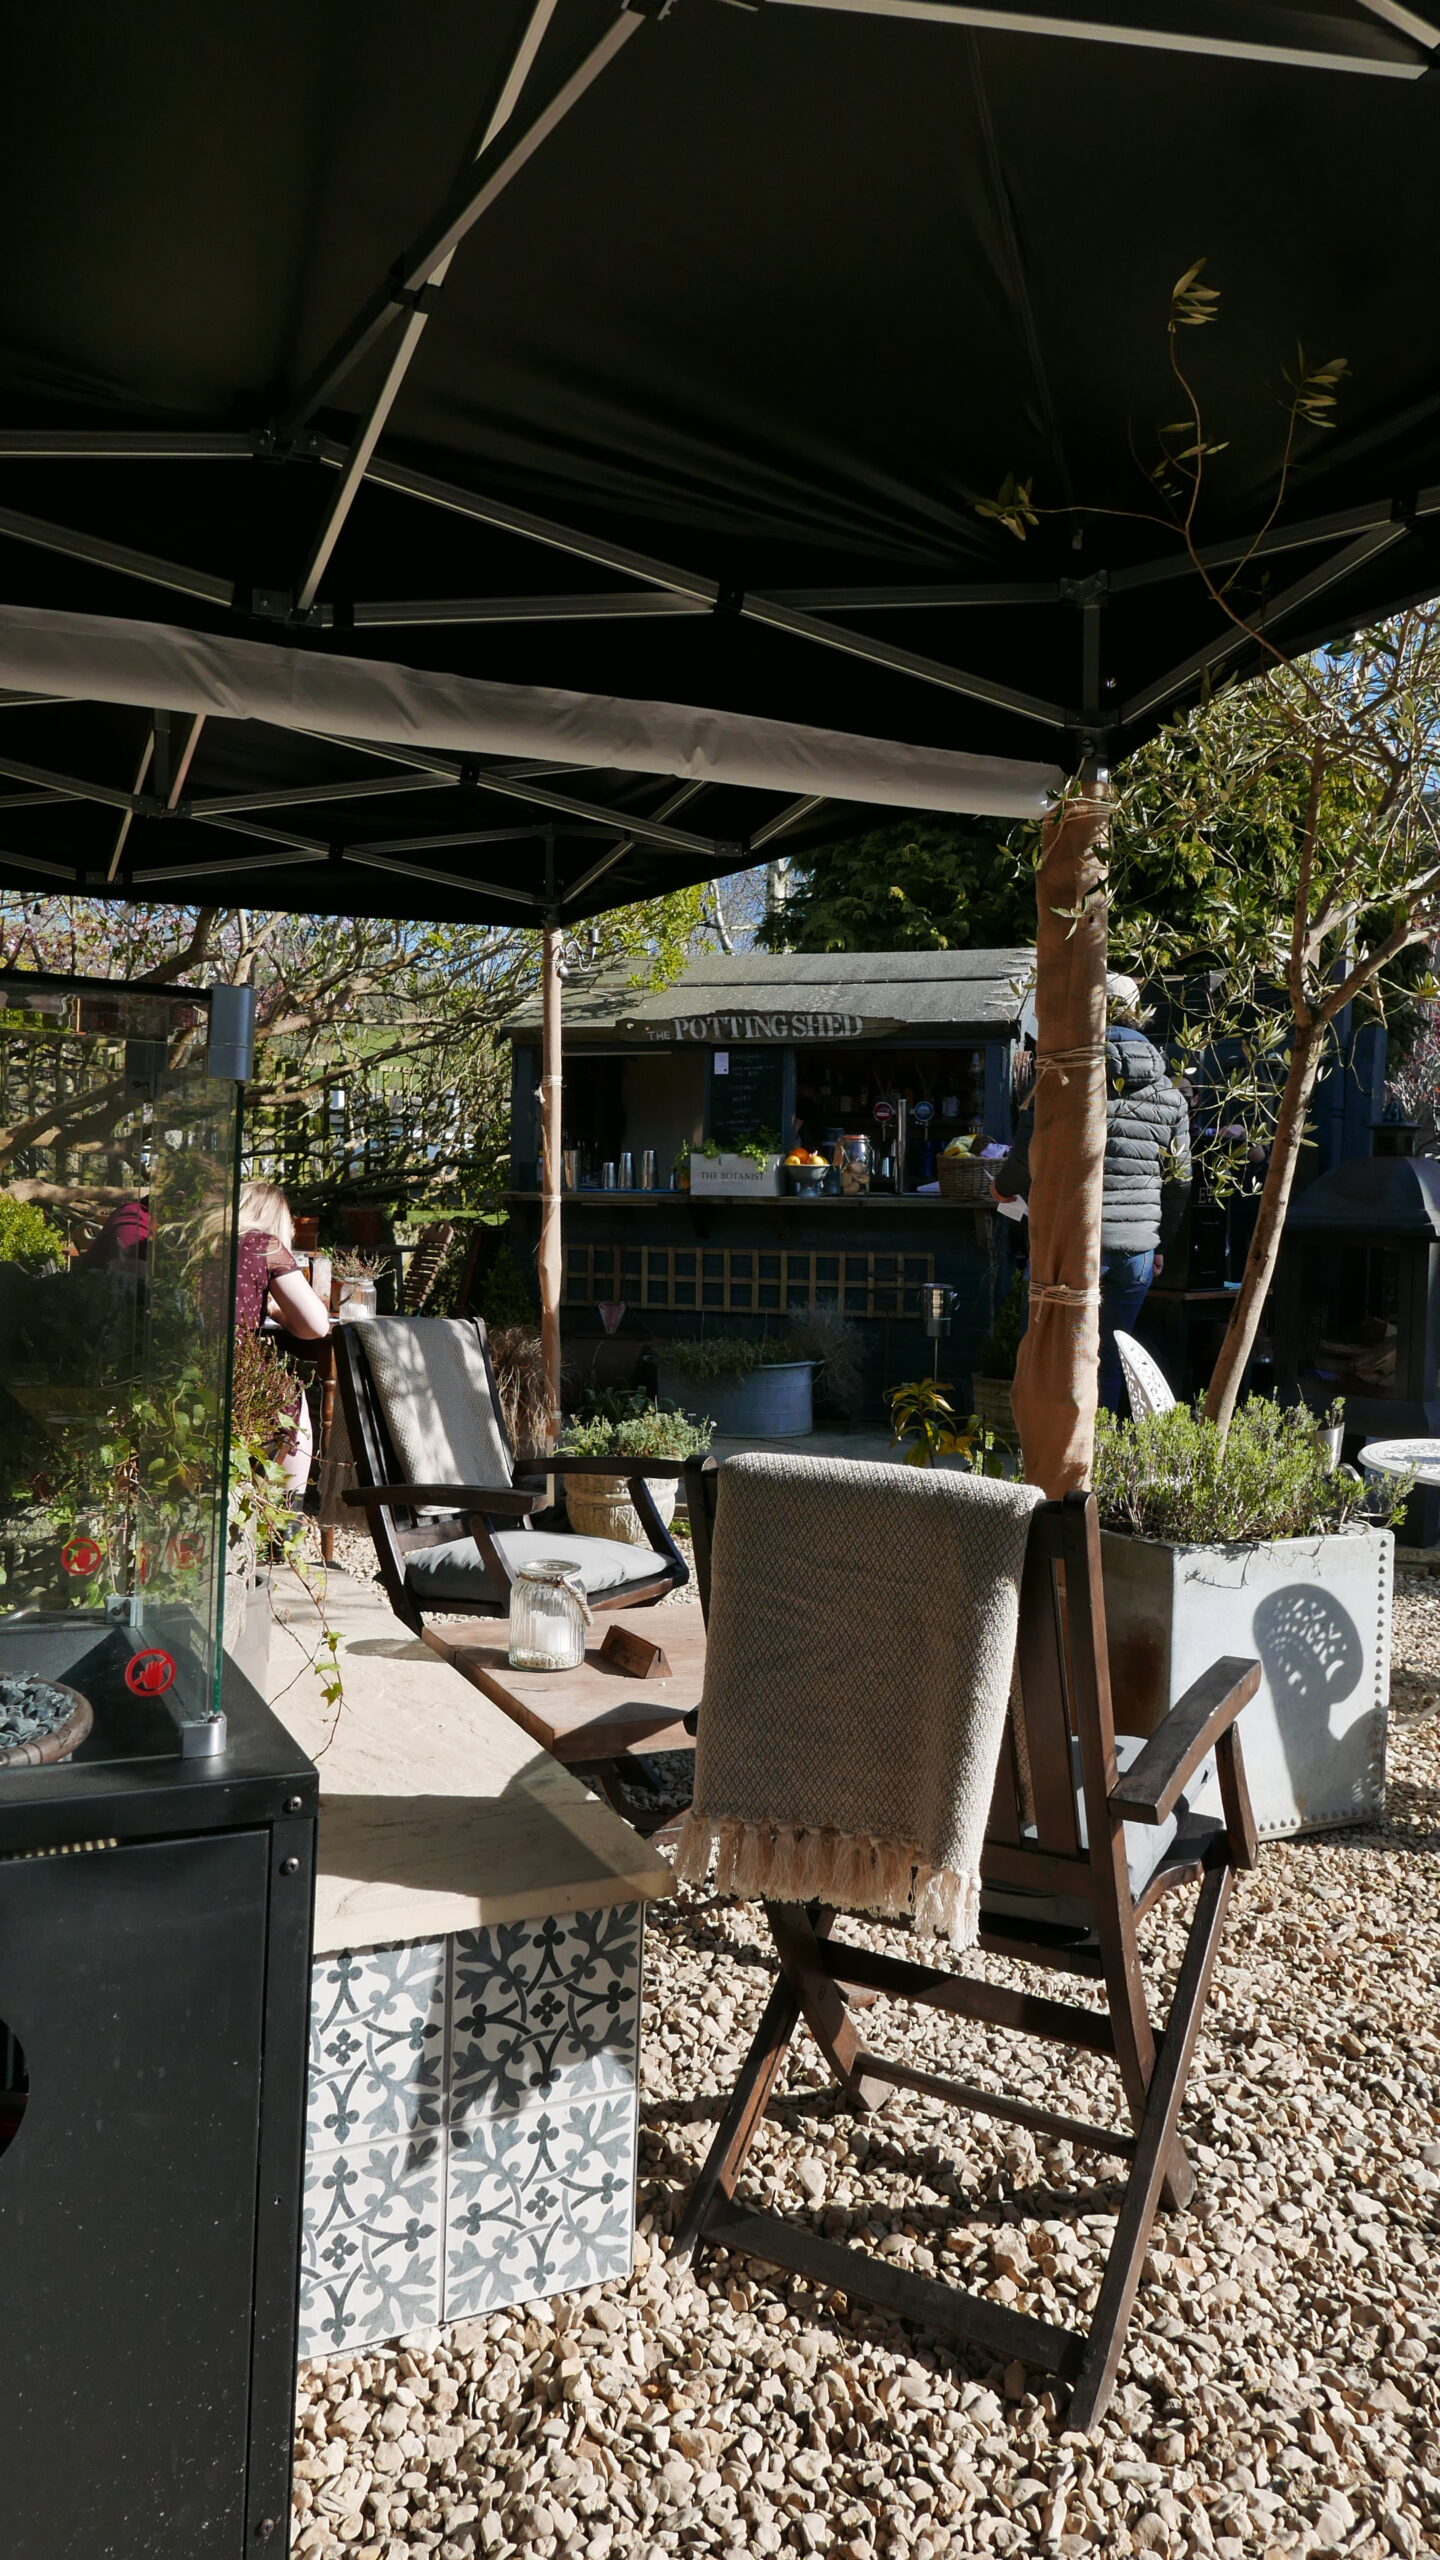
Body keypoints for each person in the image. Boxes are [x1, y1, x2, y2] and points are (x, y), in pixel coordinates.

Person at [991, 974, 1191, 1414]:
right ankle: (1097, 1462)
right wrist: (1161, 1244)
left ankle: (1047, 1460)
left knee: (1049, 1352)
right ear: (1138, 1016)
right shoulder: (1170, 1095)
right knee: (1110, 1360)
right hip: (1137, 1249)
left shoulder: (1065, 1073)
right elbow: (1179, 1180)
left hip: (1074, 1241)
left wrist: (1002, 1188)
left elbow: (1029, 1151)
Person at [234, 1181, 331, 1499]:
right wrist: (275, 1310)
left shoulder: (193, 1240)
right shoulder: (262, 1245)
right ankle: (286, 1516)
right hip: (234, 1371)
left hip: (174, 1362)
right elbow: (315, 1326)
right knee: (293, 1401)